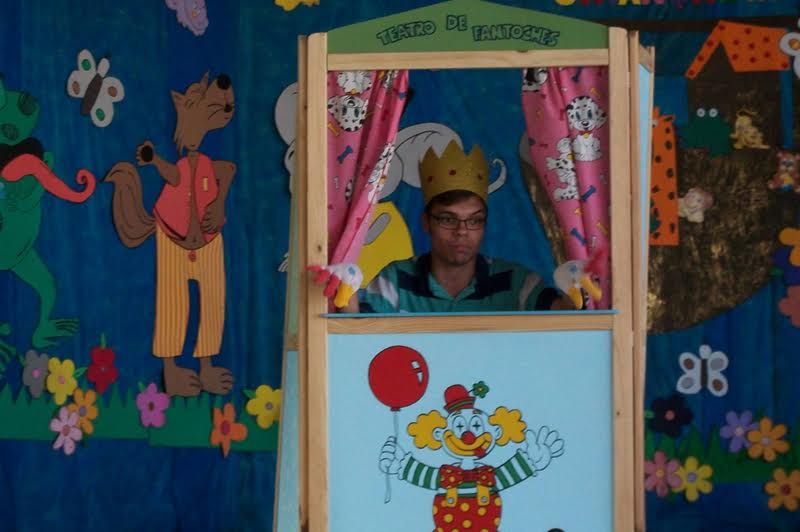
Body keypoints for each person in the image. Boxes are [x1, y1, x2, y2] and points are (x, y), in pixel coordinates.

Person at [342, 140, 574, 313]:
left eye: (474, 220)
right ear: (426, 222)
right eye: (448, 219)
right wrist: (342, 283)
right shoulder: (395, 280)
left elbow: (566, 326)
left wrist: (577, 285)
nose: (461, 231)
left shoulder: (517, 282)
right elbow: (356, 334)